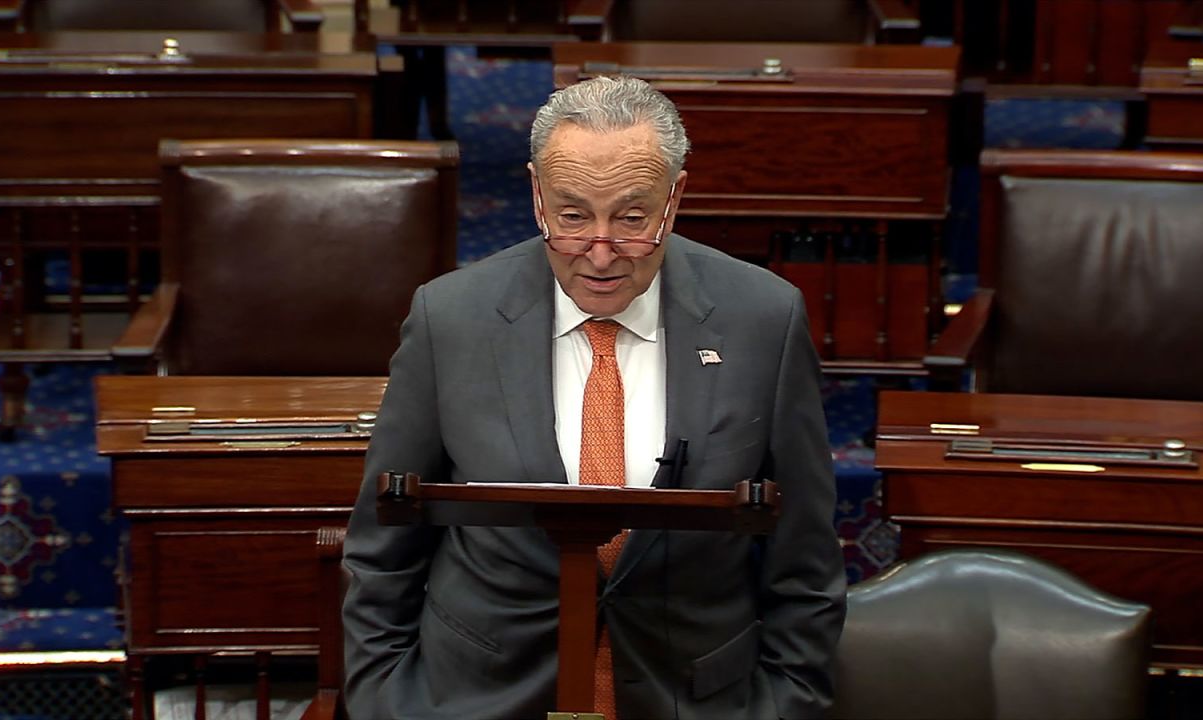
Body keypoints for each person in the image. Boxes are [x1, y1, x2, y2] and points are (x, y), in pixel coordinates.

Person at [342, 74, 846, 720]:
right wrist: (388, 704)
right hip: (477, 699)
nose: (600, 252)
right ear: (535, 194)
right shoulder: (450, 320)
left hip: (698, 701)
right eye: (573, 216)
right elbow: (381, 551)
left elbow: (805, 565)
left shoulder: (764, 322)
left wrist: (782, 707)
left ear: (676, 197)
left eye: (633, 219)